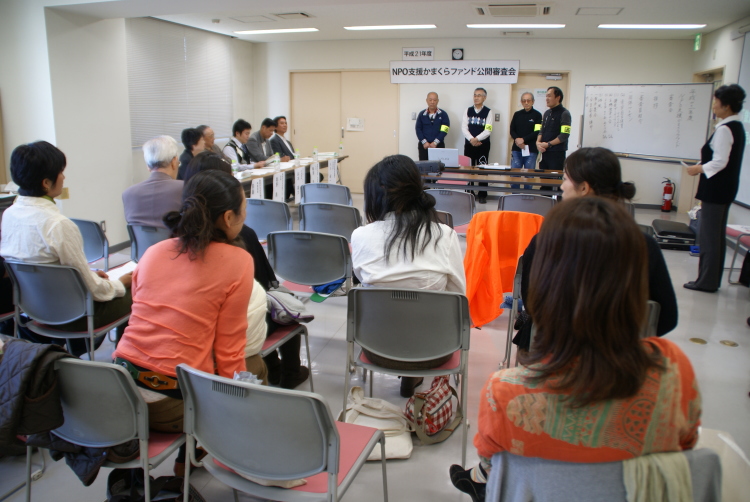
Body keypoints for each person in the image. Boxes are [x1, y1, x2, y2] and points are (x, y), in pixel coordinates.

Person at [450, 197, 701, 502]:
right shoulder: (674, 370)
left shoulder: (505, 393)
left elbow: (496, 463)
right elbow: (684, 445)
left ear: (543, 287)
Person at [113, 169, 252, 476]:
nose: (245, 216)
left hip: (117, 391)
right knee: (254, 368)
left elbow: (142, 311)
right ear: (228, 218)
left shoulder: (153, 252)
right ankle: (208, 453)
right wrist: (239, 402)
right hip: (169, 405)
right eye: (244, 210)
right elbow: (229, 351)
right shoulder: (239, 261)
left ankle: (191, 454)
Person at [515, 147, 678, 351]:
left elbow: (533, 306)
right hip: (619, 359)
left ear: (584, 188)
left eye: (565, 179)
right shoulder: (644, 246)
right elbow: (667, 318)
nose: (562, 186)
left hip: (556, 355)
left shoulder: (546, 241)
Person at [183, 151, 309, 388]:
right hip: (228, 339)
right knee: (285, 308)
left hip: (187, 336)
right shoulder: (241, 240)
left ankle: (274, 367)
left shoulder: (174, 235)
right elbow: (263, 286)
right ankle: (288, 373)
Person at [1, 141, 132, 355]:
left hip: (32, 311)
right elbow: (95, 291)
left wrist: (88, 275)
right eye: (60, 172)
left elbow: (43, 266)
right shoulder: (58, 224)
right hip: (73, 316)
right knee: (135, 289)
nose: (64, 177)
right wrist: (120, 283)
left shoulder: (9, 215)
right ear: (46, 183)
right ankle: (125, 359)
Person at [351, 154, 466, 397]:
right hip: (434, 351)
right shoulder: (444, 235)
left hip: (376, 347)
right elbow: (458, 299)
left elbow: (361, 281)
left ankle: (409, 376)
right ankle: (412, 377)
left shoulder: (360, 236)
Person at [685, 84, 747, 293]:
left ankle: (706, 282)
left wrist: (698, 169)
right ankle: (711, 280)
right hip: (725, 189)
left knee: (709, 237)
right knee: (716, 237)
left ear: (726, 106)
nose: (714, 106)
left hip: (715, 190)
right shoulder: (737, 126)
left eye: (716, 102)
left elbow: (720, 161)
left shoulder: (724, 129)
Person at [122, 135, 183, 228]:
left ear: (148, 166)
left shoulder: (128, 194)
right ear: (174, 162)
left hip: (142, 239)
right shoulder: (186, 188)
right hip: (176, 238)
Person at [462, 88, 493, 204]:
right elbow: (464, 128)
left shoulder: (488, 112)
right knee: (469, 169)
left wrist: (477, 139)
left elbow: (488, 130)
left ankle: (482, 194)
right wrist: (472, 139)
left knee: (482, 169)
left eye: (479, 95)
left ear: (484, 98)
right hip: (469, 144)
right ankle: (469, 193)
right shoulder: (467, 110)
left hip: (483, 144)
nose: (476, 97)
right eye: (475, 95)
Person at [536, 86, 571, 172]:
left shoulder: (564, 113)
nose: (546, 99)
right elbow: (541, 130)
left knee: (554, 178)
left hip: (556, 153)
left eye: (549, 96)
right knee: (543, 178)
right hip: (544, 152)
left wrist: (548, 144)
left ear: (558, 98)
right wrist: (538, 143)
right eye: (546, 96)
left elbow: (564, 135)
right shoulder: (547, 113)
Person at [509, 92, 543, 171]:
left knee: (529, 175)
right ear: (521, 102)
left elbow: (537, 132)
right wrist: (518, 140)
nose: (526, 103)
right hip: (517, 149)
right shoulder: (517, 114)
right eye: (524, 101)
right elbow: (512, 130)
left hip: (531, 149)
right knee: (514, 174)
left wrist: (523, 139)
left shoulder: (537, 115)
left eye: (528, 100)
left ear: (533, 101)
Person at [416, 92, 450, 161]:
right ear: (426, 101)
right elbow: (418, 129)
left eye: (434, 100)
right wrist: (424, 142)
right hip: (424, 146)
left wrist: (435, 142)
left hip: (438, 145)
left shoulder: (443, 114)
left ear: (438, 101)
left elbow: (445, 129)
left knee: (439, 166)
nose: (432, 102)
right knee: (423, 166)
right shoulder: (421, 114)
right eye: (430, 100)